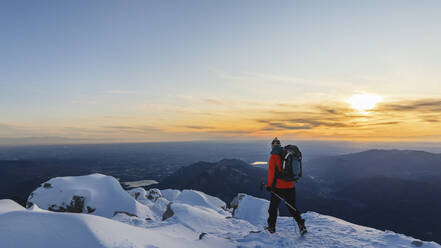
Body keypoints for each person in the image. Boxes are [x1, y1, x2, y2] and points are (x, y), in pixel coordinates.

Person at [266, 137, 306, 234]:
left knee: (273, 208)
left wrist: (269, 186)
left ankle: (271, 227)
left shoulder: (274, 156)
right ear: (280, 145)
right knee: (292, 207)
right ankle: (301, 225)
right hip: (290, 186)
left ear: (272, 146)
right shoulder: (288, 154)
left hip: (277, 187)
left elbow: (271, 173)